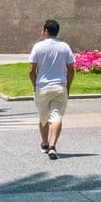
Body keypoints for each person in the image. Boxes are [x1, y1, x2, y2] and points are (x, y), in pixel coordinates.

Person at [28, 18, 74, 160]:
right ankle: (53, 145)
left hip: (42, 88)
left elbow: (31, 70)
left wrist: (35, 85)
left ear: (46, 30)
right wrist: (68, 86)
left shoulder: (38, 47)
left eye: (43, 29)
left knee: (43, 117)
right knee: (57, 116)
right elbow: (71, 70)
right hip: (60, 87)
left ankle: (46, 143)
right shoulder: (65, 47)